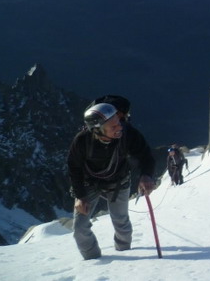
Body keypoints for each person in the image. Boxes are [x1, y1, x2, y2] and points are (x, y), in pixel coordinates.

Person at [67, 102, 156, 260]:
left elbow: (145, 155)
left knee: (120, 220)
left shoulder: (128, 134)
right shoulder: (82, 141)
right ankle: (92, 260)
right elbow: (74, 168)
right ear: (98, 129)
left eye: (118, 122)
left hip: (119, 182)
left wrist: (146, 175)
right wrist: (80, 196)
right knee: (79, 227)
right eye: (113, 126)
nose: (119, 127)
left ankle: (125, 252)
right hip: (90, 184)